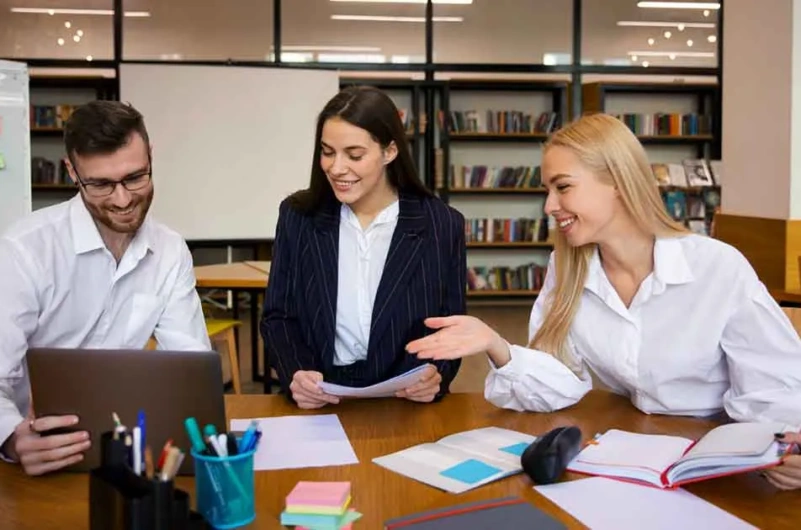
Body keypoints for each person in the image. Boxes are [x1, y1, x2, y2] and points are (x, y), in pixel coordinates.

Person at [405, 113, 801, 490]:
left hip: (719, 457)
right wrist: (496, 345)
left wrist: (781, 447)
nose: (548, 206)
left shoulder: (717, 267)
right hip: (636, 450)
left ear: (617, 182)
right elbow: (560, 380)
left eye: (563, 187)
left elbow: (774, 386)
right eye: (547, 190)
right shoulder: (567, 266)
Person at [0, 101, 210, 475]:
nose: (123, 199)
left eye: (135, 177)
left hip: (127, 448)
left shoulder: (169, 250)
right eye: (100, 184)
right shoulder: (24, 250)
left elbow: (189, 367)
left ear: (150, 157)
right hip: (31, 456)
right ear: (71, 171)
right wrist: (12, 439)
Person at [261, 85, 465, 409]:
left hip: (404, 403)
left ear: (390, 151)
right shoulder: (298, 216)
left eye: (354, 155)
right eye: (327, 152)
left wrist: (435, 375)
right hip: (320, 400)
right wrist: (296, 373)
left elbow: (450, 324)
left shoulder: (441, 224)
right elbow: (279, 317)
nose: (336, 168)